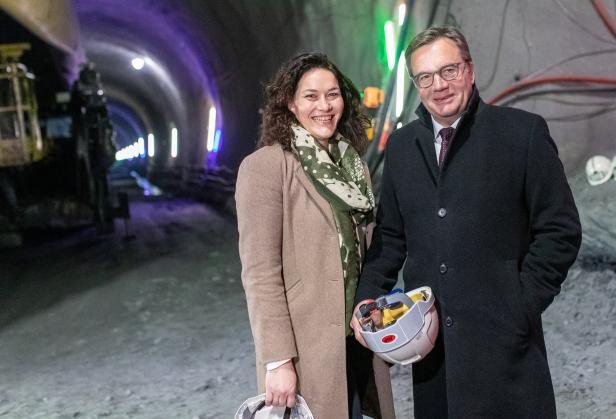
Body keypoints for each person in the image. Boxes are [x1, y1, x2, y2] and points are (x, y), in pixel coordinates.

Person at [351, 25, 582, 419]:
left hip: (505, 346)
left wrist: (521, 304)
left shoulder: (521, 133)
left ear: (470, 70)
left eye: (449, 71)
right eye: (425, 77)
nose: (438, 85)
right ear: (415, 84)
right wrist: (366, 298)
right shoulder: (404, 147)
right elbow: (391, 236)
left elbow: (560, 230)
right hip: (435, 352)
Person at [236, 52, 395, 419]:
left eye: (333, 94)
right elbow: (260, 274)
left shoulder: (353, 166)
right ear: (290, 103)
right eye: (310, 96)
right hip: (306, 350)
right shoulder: (266, 168)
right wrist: (277, 361)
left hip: (356, 341)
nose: (324, 106)